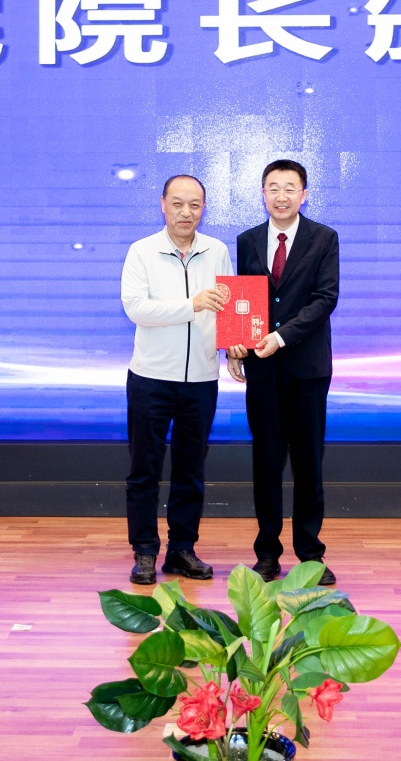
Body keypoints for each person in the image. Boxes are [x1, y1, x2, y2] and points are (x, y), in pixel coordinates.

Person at [119, 174, 234, 586]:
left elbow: (228, 308)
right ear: (163, 204)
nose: (187, 212)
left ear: (204, 208)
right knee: (144, 470)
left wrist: (234, 347)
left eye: (195, 205)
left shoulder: (217, 251)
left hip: (201, 379)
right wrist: (192, 304)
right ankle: (145, 551)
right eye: (178, 203)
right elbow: (136, 308)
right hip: (151, 378)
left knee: (190, 471)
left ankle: (182, 550)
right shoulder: (142, 251)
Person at [229, 159, 339, 585]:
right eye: (273, 188)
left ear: (303, 194)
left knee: (309, 464)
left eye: (290, 188)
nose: (281, 196)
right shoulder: (247, 241)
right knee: (266, 462)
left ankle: (311, 556)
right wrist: (234, 346)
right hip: (262, 370)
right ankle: (267, 554)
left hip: (308, 368)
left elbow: (325, 298)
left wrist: (281, 337)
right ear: (263, 193)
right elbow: (242, 300)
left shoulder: (324, 238)